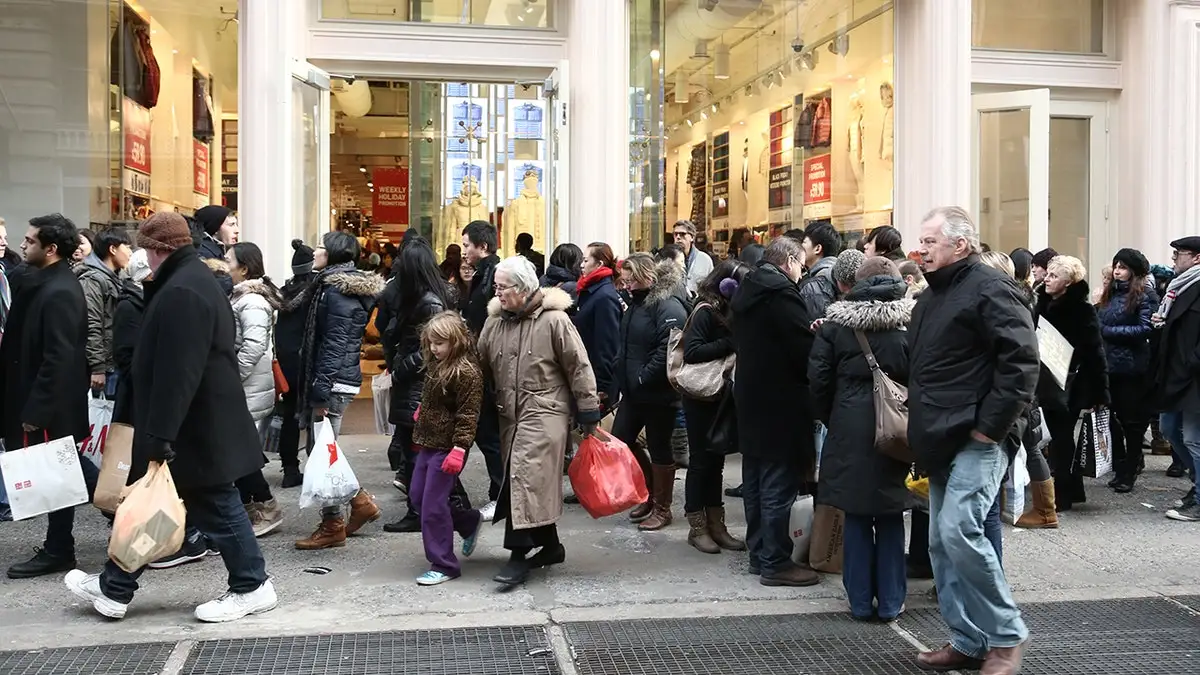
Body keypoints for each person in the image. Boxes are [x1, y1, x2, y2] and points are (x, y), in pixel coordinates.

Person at [61, 212, 276, 622]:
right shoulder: (189, 282)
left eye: (146, 248)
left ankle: (251, 585)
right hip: (196, 424)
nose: (144, 255)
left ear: (159, 249)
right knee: (155, 504)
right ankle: (115, 585)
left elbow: (178, 372)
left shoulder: (183, 290)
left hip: (194, 426)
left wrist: (160, 433)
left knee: (211, 504)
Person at [907, 206, 1036, 673]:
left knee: (958, 530)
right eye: (920, 241)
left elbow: (1021, 364)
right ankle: (968, 639)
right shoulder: (931, 297)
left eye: (929, 242)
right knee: (943, 542)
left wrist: (990, 428)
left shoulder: (990, 288)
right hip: (940, 436)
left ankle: (1005, 637)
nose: (919, 249)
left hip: (977, 437)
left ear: (959, 245)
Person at [476, 256, 601, 586]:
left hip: (545, 411)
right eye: (496, 287)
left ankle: (517, 556)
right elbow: (480, 366)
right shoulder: (494, 322)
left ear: (523, 288)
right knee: (528, 483)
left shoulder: (555, 321)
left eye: (502, 287)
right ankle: (550, 546)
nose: (497, 293)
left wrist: (588, 412)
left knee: (524, 474)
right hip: (509, 414)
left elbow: (578, 366)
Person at [810, 256, 912, 621]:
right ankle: (891, 601)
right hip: (897, 429)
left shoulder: (835, 326)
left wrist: (833, 418)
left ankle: (858, 599)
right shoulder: (912, 323)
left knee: (854, 515)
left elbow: (818, 382)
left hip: (849, 427)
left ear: (855, 284)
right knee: (890, 514)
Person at [2, 215, 91, 579]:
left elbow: (59, 357)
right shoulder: (43, 283)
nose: (22, 246)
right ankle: (61, 545)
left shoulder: (60, 291)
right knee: (61, 470)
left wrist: (37, 409)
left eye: (29, 240)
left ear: (51, 249)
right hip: (36, 397)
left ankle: (60, 548)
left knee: (61, 471)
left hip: (49, 404)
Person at [730, 236, 820, 587]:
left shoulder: (749, 287)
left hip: (752, 395)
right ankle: (776, 560)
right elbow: (803, 349)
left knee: (754, 478)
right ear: (788, 261)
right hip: (781, 400)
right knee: (777, 482)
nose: (802, 271)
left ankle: (759, 553)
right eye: (800, 264)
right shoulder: (781, 294)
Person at [294, 231, 384, 550]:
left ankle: (337, 520)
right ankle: (355, 505)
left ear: (331, 254)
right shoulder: (331, 286)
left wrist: (320, 390)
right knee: (322, 449)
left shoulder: (337, 293)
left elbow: (334, 345)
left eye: (320, 247)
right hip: (335, 379)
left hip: (333, 382)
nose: (315, 251)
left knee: (323, 452)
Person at [377, 237, 471, 533]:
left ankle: (448, 513)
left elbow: (432, 350)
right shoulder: (418, 298)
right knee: (417, 452)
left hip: (419, 386)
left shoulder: (429, 302)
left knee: (423, 453)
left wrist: (401, 370)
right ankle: (433, 510)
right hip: (412, 385)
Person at [612, 253, 689, 531]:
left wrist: (643, 377)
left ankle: (662, 507)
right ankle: (650, 495)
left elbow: (668, 350)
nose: (627, 285)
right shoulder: (637, 304)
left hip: (658, 393)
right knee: (622, 439)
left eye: (631, 279)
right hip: (635, 391)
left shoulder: (666, 305)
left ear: (646, 275)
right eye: (625, 280)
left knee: (659, 448)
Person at [410, 312, 484, 585]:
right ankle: (467, 522)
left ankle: (444, 564)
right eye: (431, 343)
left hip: (448, 447)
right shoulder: (437, 365)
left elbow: (468, 414)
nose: (433, 348)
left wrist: (460, 448)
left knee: (432, 506)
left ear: (456, 341)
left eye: (439, 343)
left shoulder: (466, 372)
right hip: (429, 443)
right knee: (418, 497)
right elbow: (434, 399)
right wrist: (423, 411)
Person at [681, 260, 749, 554]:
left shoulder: (728, 311)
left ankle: (716, 524)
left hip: (719, 396)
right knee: (700, 462)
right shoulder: (705, 311)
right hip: (699, 398)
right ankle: (697, 527)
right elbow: (693, 351)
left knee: (716, 460)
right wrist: (731, 343)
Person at [1036, 255, 1109, 511]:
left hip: (1073, 383)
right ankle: (1072, 490)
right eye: (1048, 274)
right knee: (1060, 437)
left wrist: (1101, 393)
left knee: (1062, 438)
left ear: (1068, 283)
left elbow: (1094, 351)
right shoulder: (1042, 303)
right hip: (1048, 381)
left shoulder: (1081, 309)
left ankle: (1063, 493)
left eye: (1054, 276)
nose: (1047, 279)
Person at [225, 242, 284, 536]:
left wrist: (231, 376)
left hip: (248, 387)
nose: (225, 262)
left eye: (229, 259)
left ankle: (266, 507)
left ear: (244, 268)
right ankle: (255, 506)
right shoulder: (242, 297)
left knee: (241, 453)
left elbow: (254, 346)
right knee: (241, 451)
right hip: (246, 386)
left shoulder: (252, 301)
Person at [1098, 248, 1158, 493]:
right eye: (1116, 266)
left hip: (1132, 368)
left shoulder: (1145, 295)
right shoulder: (1110, 294)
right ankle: (1123, 464)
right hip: (1110, 365)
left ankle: (1130, 468)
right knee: (1114, 419)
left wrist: (1108, 332)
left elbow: (1146, 329)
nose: (1117, 271)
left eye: (1122, 267)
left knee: (1132, 422)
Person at [461, 220, 505, 521]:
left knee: (489, 434)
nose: (464, 251)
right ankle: (499, 493)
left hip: (489, 368)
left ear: (483, 247)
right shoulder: (483, 276)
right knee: (486, 433)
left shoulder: (493, 277)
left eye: (467, 245)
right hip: (482, 364)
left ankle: (501, 496)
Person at [1156, 236, 1200, 521]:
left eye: (1178, 255)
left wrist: (1192, 361)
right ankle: (1197, 486)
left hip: (1194, 376)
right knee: (1169, 428)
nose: (1174, 260)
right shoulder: (1179, 286)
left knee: (1194, 438)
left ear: (1196, 258)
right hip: (1175, 375)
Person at [275, 240, 316, 488]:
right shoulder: (314, 292)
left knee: (289, 415)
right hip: (308, 360)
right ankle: (316, 467)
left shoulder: (283, 291)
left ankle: (290, 468)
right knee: (316, 415)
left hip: (287, 362)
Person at [77, 228, 133, 398]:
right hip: (104, 368)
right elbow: (91, 324)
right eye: (127, 246)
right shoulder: (93, 279)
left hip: (112, 362)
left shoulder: (113, 277)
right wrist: (97, 367)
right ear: (113, 249)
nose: (130, 252)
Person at [573, 243, 623, 411]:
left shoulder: (604, 297)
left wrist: (603, 387)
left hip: (597, 381)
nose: (581, 264)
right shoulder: (590, 291)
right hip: (587, 373)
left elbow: (607, 345)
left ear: (599, 264)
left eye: (586, 260)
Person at [797, 221, 843, 323]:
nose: (799, 247)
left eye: (804, 242)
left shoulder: (814, 285)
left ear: (817, 248)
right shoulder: (836, 273)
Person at [671, 220, 714, 296]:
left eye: (682, 234)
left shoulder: (705, 260)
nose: (678, 237)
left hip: (697, 304)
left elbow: (711, 288)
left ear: (692, 237)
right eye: (675, 234)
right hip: (677, 304)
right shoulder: (669, 259)